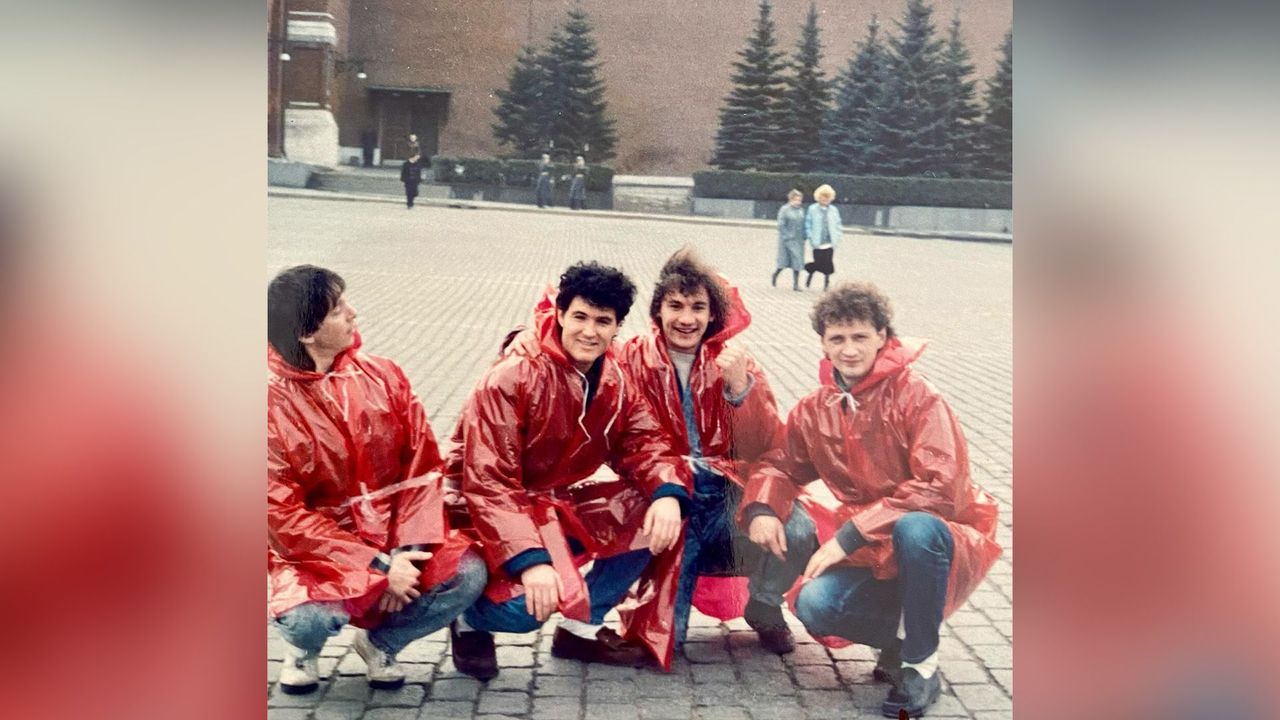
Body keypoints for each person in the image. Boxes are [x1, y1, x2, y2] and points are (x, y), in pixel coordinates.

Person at [740, 282, 1001, 718]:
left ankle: (921, 666)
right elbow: (781, 464)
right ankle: (901, 638)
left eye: (860, 336)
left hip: (937, 540)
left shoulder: (919, 396)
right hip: (872, 551)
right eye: (837, 338)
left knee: (915, 527)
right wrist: (764, 508)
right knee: (814, 604)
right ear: (823, 343)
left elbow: (941, 486)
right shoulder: (816, 408)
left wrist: (849, 535)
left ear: (882, 336)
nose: (849, 350)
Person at [449, 261, 691, 680]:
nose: (589, 331)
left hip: (549, 505)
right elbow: (489, 483)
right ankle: (467, 618)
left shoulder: (614, 378)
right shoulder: (512, 376)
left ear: (617, 327)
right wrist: (530, 562)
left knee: (655, 509)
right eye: (580, 317)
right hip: (477, 514)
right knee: (527, 609)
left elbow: (645, 441)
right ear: (559, 314)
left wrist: (666, 492)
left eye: (603, 321)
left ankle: (581, 627)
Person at [267, 265, 486, 695]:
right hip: (317, 554)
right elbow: (283, 519)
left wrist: (407, 554)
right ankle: (302, 650)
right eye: (337, 310)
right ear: (306, 333)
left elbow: (422, 470)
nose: (353, 313)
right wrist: (379, 568)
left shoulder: (384, 375)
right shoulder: (267, 404)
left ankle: (380, 645)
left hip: (393, 536)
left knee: (467, 573)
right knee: (306, 619)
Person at [803, 184, 843, 290]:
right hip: (817, 241)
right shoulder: (812, 209)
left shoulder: (834, 210)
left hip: (829, 242)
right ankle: (810, 273)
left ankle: (826, 282)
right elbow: (808, 223)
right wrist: (810, 235)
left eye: (827, 197)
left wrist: (838, 236)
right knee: (818, 263)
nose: (825, 199)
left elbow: (838, 224)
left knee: (828, 263)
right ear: (818, 197)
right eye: (823, 197)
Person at [773, 189, 806, 291]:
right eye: (796, 200)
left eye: (799, 200)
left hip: (798, 240)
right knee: (784, 261)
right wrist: (786, 236)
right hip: (787, 240)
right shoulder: (784, 210)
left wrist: (805, 235)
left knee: (797, 261)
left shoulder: (801, 211)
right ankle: (776, 274)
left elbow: (803, 224)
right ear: (790, 199)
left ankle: (796, 284)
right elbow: (781, 224)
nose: (798, 202)